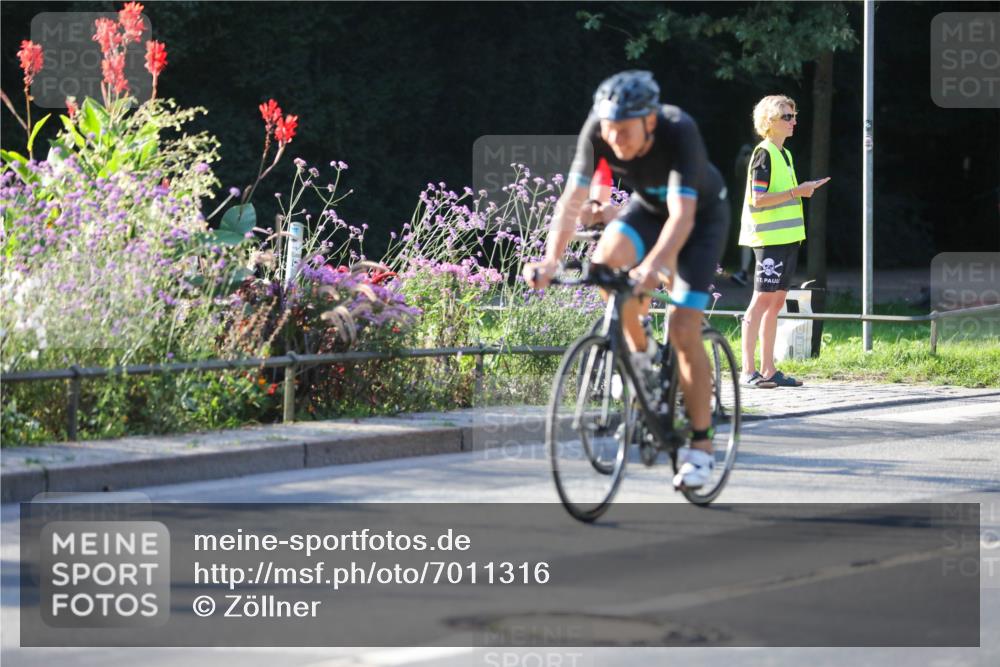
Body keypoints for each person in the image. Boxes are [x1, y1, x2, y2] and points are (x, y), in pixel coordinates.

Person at [523, 70, 730, 489]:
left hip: (699, 219)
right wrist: (549, 260)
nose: (615, 140)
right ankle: (640, 356)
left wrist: (653, 268)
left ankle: (702, 448)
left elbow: (682, 217)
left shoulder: (678, 130)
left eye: (624, 131)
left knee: (683, 326)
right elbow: (572, 201)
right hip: (646, 210)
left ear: (649, 122)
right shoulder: (598, 128)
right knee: (603, 264)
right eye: (609, 130)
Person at [738, 95, 830, 388]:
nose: (793, 121)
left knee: (776, 302)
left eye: (793, 116)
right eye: (786, 117)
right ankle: (747, 371)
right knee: (761, 301)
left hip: (787, 239)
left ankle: (768, 369)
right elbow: (758, 198)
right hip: (769, 240)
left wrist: (802, 190)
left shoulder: (784, 154)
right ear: (769, 122)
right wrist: (797, 192)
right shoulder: (763, 153)